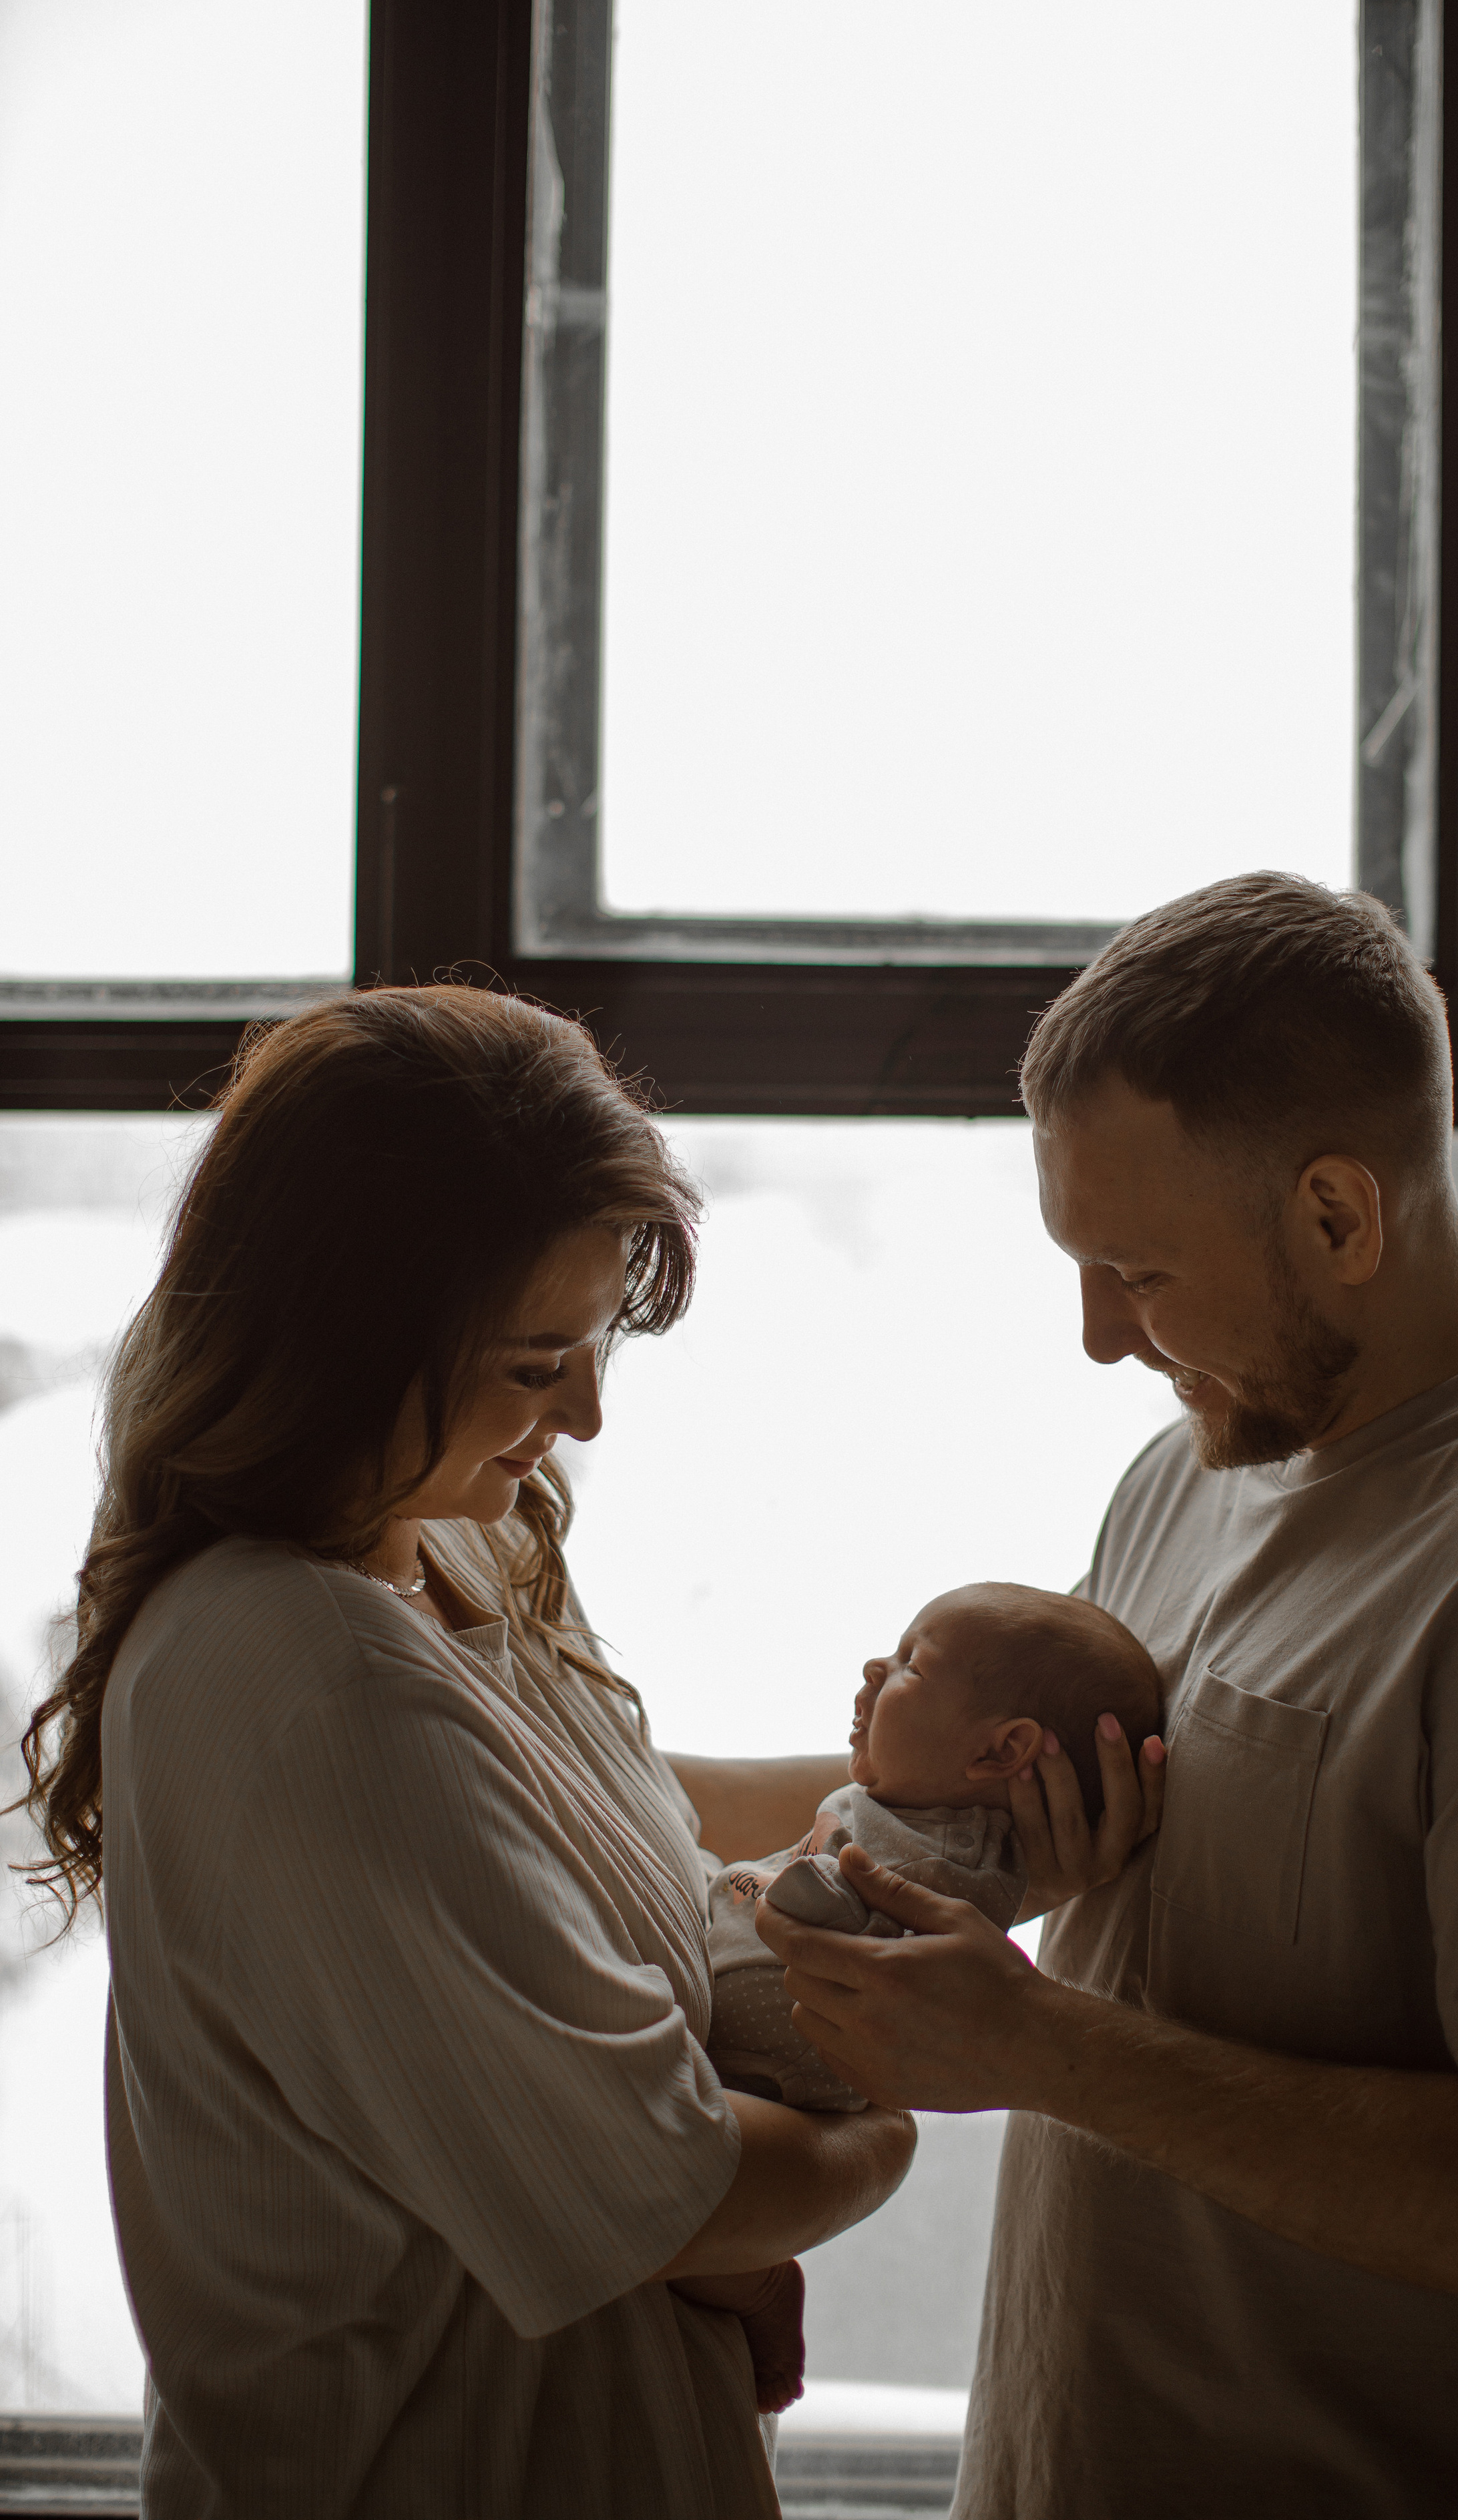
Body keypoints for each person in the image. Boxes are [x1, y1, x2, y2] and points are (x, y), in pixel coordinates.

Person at [756, 875, 1458, 2520]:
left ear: (1338, 1217)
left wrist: (1039, 2041)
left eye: (1135, 1269)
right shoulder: (1194, 1461)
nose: (1095, 1335)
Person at [19, 985, 917, 2520]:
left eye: (590, 1348)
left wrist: (937, 1800)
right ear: (347, 1344)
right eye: (528, 1362)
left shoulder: (443, 1541)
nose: (580, 1414)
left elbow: (607, 1811)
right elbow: (673, 2191)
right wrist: (907, 2096)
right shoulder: (305, 1684)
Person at [706, 1583, 1162, 2108]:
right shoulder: (900, 1805)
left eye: (912, 1665)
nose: (873, 1668)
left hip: (746, 2046)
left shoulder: (944, 1865)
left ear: (1000, 1750)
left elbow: (847, 1923)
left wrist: (774, 1885)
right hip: (717, 1958)